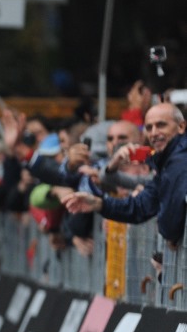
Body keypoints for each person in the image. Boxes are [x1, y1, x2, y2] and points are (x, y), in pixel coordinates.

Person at [62, 101, 187, 248]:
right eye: (149, 127)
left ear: (181, 126)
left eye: (161, 125)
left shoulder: (179, 161)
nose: (154, 133)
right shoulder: (166, 163)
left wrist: (167, 235)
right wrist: (98, 203)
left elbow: (170, 225)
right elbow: (139, 206)